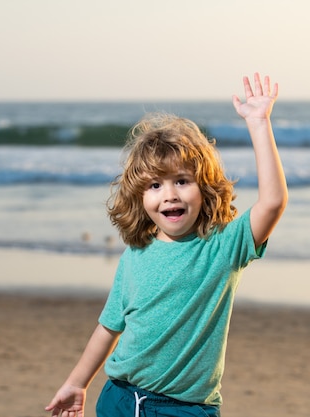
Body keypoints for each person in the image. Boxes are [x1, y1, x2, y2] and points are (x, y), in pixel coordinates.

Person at [45, 73, 288, 417]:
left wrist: (259, 123)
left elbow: (273, 203)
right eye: (155, 185)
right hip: (119, 398)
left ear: (205, 188)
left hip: (186, 409)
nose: (169, 194)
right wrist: (76, 383)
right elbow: (109, 327)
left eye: (182, 181)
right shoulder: (136, 254)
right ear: (139, 197)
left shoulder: (223, 246)